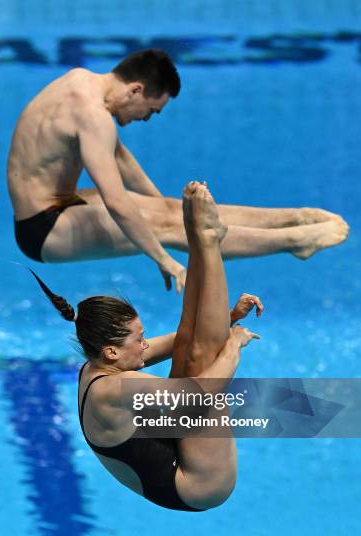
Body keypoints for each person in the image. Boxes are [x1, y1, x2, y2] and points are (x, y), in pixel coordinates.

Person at [9, 48, 349, 294]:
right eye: (152, 110)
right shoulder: (94, 117)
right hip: (43, 229)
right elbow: (115, 201)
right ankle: (294, 241)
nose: (146, 118)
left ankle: (293, 217)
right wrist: (163, 258)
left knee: (173, 214)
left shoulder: (80, 81)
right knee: (171, 227)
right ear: (135, 90)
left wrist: (170, 209)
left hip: (54, 205)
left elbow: (120, 158)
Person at [32, 181, 263, 511]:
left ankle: (198, 237)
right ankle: (209, 240)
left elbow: (181, 339)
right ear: (111, 352)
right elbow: (198, 395)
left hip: (169, 447)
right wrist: (233, 346)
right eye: (138, 339)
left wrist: (227, 318)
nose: (145, 344)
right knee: (200, 363)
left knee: (188, 342)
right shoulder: (112, 389)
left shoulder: (98, 364)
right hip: (196, 484)